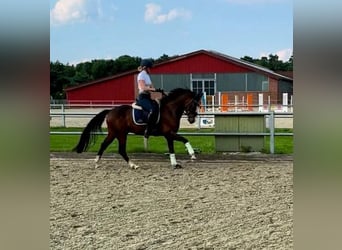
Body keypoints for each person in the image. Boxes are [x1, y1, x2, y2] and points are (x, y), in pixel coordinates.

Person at [137, 59, 157, 138]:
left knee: (157, 107)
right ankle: (148, 130)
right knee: (152, 110)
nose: (150, 69)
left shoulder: (147, 75)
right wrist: (152, 89)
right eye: (149, 67)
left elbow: (152, 86)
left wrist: (157, 91)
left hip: (148, 96)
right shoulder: (141, 75)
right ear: (145, 67)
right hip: (143, 97)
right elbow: (143, 87)